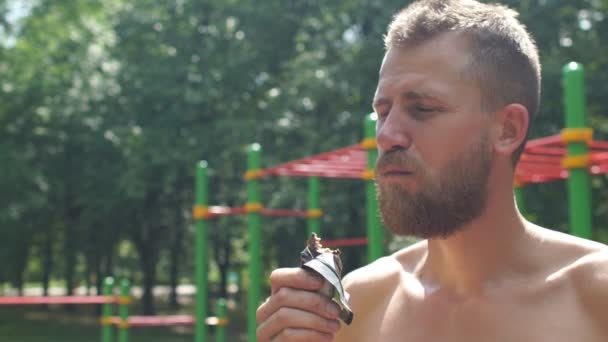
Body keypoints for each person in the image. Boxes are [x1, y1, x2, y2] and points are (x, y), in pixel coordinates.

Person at [255, 0, 608, 341]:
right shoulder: (355, 309)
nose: (387, 135)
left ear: (508, 129)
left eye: (422, 108)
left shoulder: (596, 297)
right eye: (383, 112)